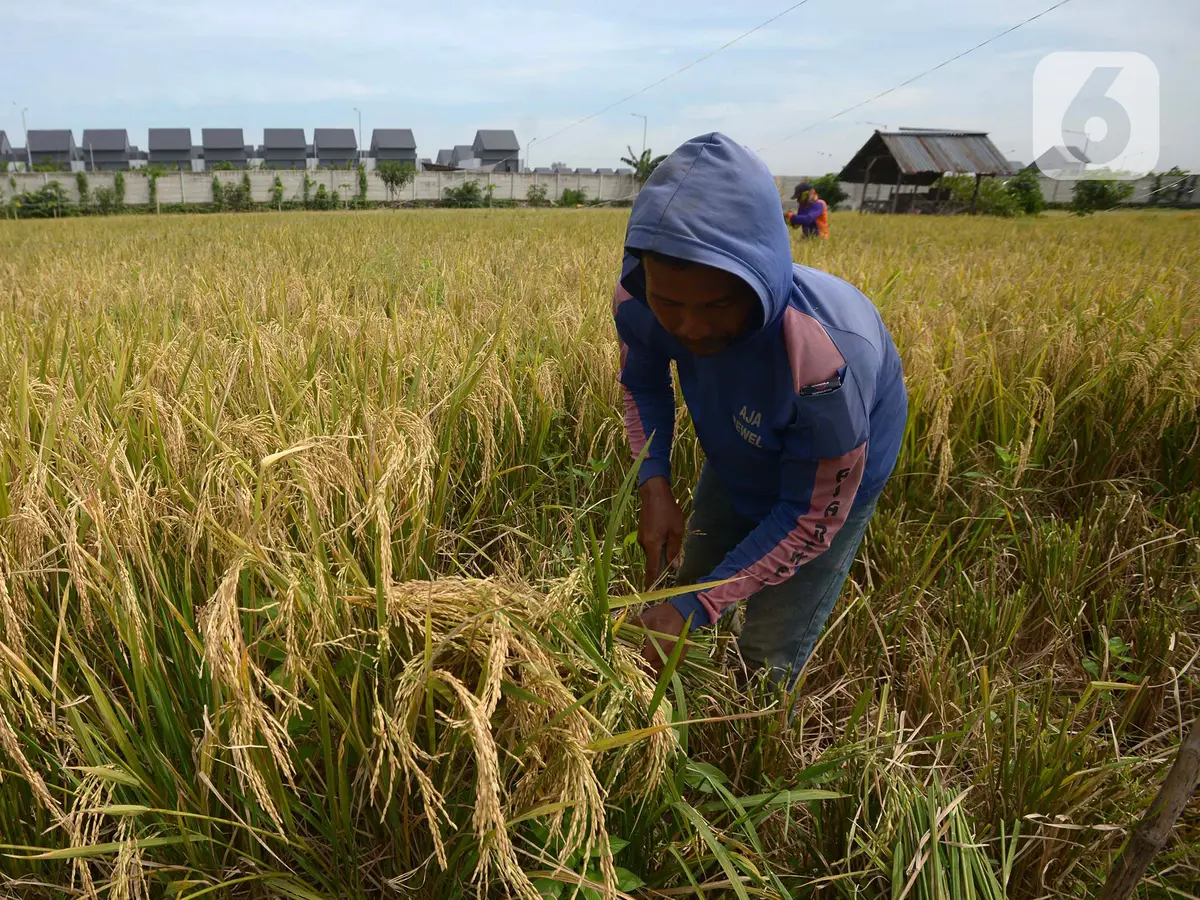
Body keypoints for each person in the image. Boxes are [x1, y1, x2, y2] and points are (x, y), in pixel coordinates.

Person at [612, 133, 907, 688]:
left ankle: (755, 729)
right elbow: (642, 384)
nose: (690, 327)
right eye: (670, 303)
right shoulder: (637, 300)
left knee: (769, 646)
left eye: (718, 304)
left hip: (829, 475)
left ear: (762, 278)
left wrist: (696, 608)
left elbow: (810, 515)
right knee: (690, 576)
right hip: (738, 440)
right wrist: (654, 485)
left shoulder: (822, 362)